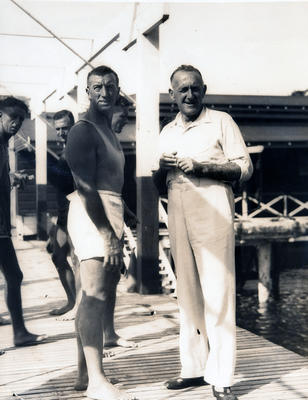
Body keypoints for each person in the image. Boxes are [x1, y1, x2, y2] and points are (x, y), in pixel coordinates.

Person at [153, 65, 253, 400]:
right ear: (172, 95)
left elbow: (244, 168)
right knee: (188, 292)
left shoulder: (221, 121)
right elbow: (156, 183)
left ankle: (222, 376)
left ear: (204, 89)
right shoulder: (167, 131)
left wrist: (204, 167)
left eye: (195, 88)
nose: (190, 95)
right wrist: (161, 169)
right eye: (182, 90)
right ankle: (194, 368)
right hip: (178, 207)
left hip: (212, 206)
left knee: (219, 292)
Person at [65, 65, 138, 400]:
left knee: (100, 294)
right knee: (93, 294)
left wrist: (125, 219)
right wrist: (107, 233)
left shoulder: (107, 129)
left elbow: (111, 181)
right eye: (98, 87)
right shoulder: (83, 130)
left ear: (118, 89)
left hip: (112, 209)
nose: (105, 93)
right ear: (88, 92)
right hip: (91, 212)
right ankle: (96, 382)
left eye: (111, 86)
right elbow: (85, 187)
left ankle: (85, 374)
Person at [0, 96, 47, 347]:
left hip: (3, 226)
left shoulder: (4, 143)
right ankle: (19, 333)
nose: (17, 123)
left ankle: (20, 332)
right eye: (12, 118)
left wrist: (10, 178)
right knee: (14, 275)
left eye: (20, 119)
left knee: (14, 276)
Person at [46, 110, 77, 319]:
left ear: (73, 125)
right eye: (57, 129)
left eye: (65, 127)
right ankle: (72, 301)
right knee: (58, 256)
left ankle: (78, 305)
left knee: (76, 259)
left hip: (76, 211)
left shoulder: (76, 149)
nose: (61, 132)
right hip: (63, 213)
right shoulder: (66, 149)